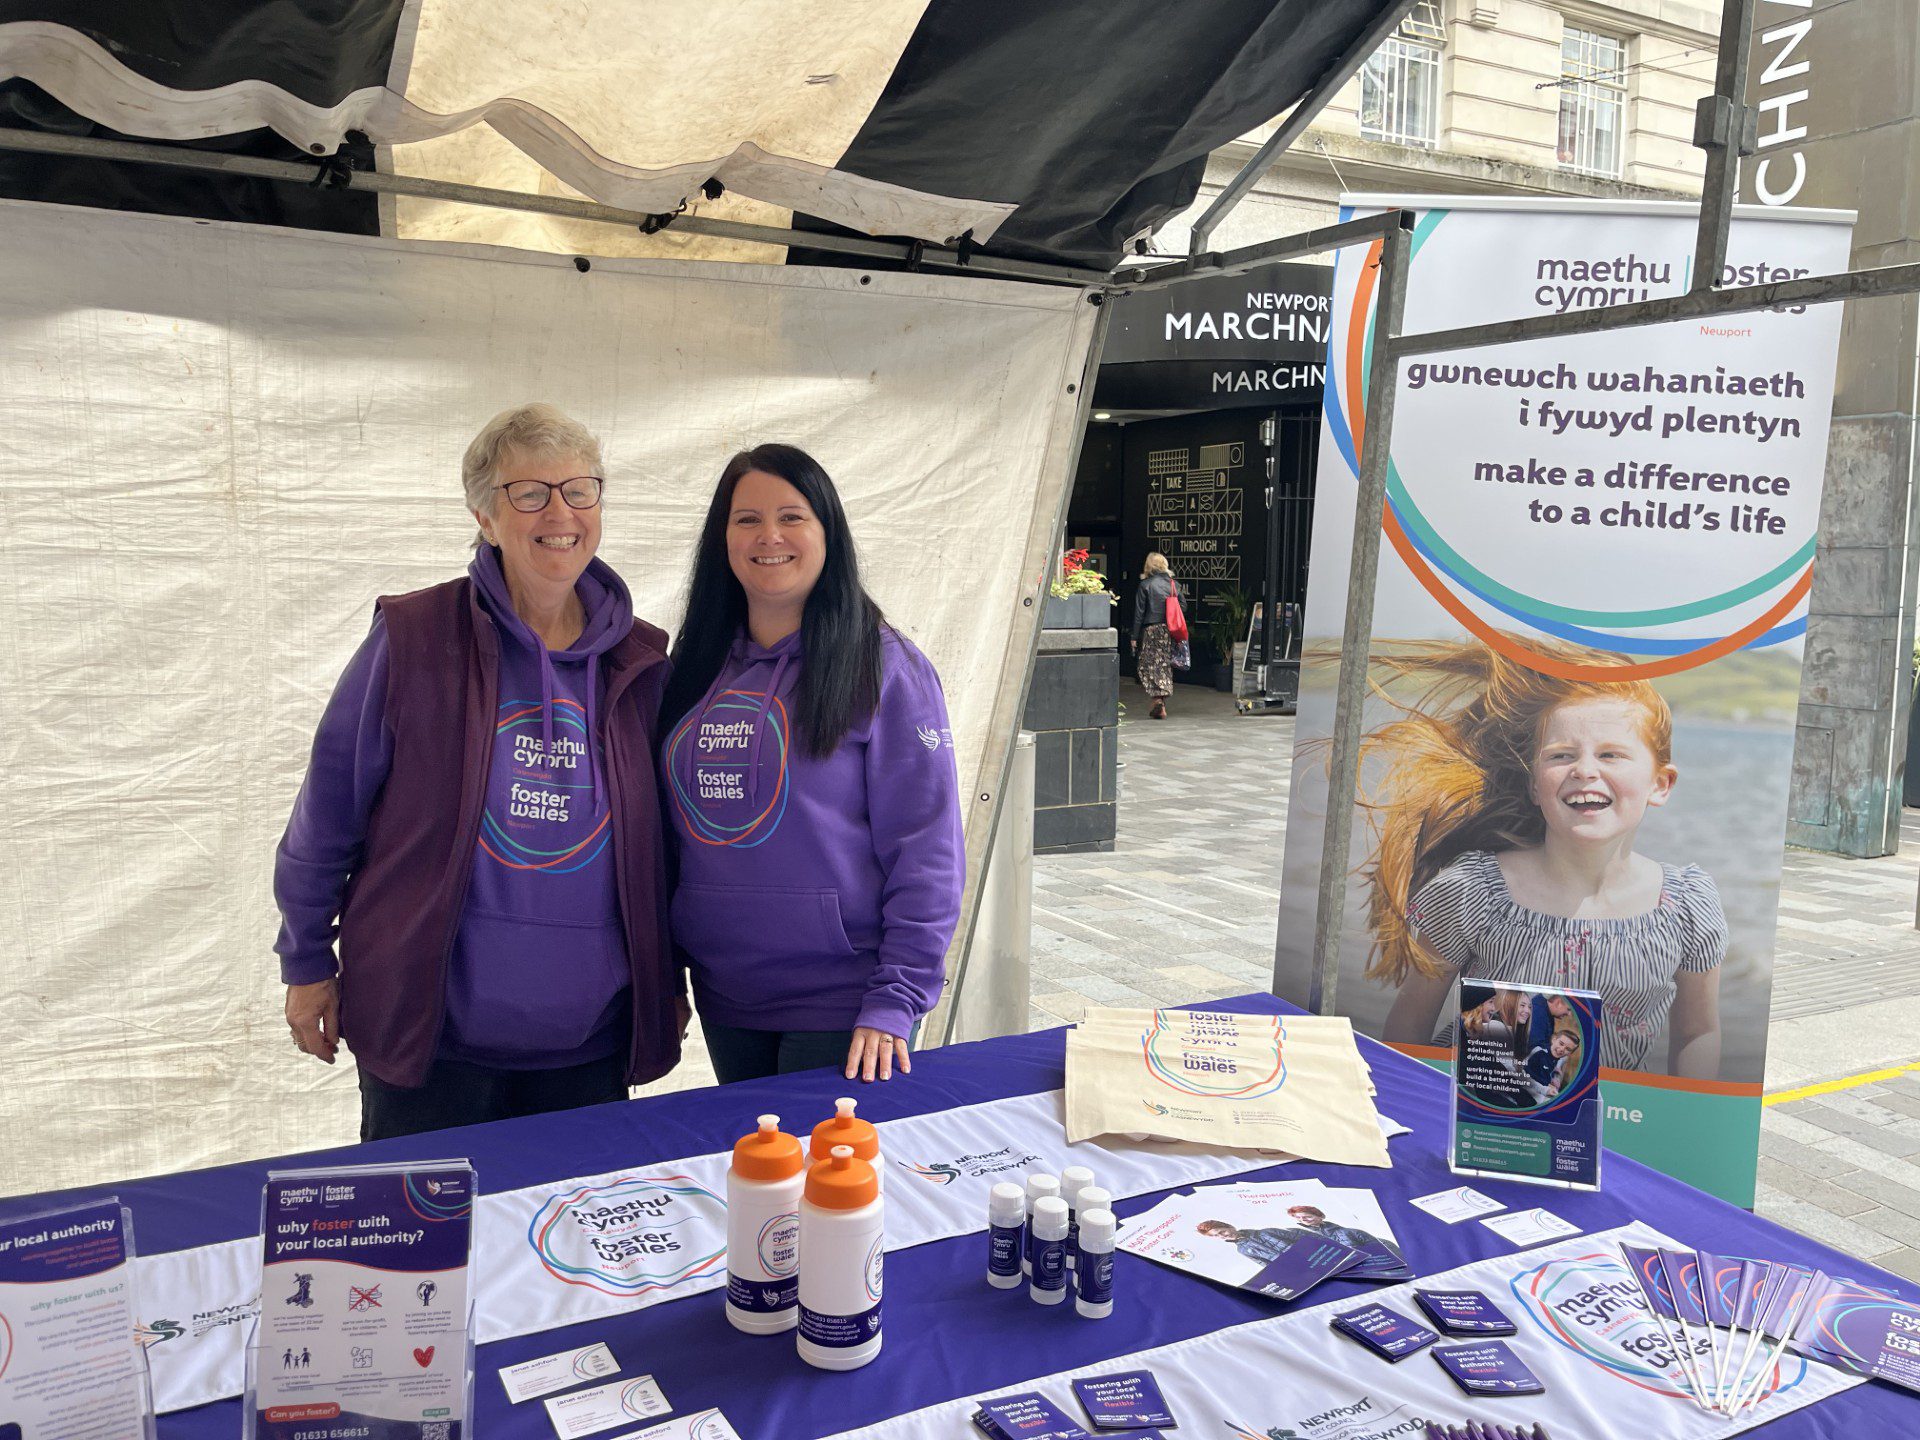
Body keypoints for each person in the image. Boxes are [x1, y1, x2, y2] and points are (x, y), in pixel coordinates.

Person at [274, 404, 684, 1139]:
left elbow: (671, 856)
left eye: (578, 489)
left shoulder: (643, 664)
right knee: (426, 1256)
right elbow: (327, 813)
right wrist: (305, 962)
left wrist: (668, 988)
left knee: (564, 1249)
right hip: (434, 1045)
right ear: (485, 517)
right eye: (528, 492)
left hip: (587, 1048)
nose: (558, 512)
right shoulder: (414, 639)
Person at [659, 443, 963, 1085]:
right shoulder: (691, 669)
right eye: (746, 520)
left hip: (845, 1007)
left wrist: (895, 1001)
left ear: (829, 533)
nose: (769, 536)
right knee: (757, 1175)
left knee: (825, 1184)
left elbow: (928, 848)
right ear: (723, 540)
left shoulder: (886, 670)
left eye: (792, 516)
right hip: (727, 994)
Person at [1366, 637, 1727, 1077]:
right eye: (1561, 756)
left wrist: (1687, 1125)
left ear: (1660, 784)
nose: (1585, 770)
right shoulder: (1471, 892)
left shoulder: (1687, 905)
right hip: (1482, 1119)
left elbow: (1698, 1033)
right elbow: (1410, 1022)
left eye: (1611, 754)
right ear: (1535, 786)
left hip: (1610, 1120)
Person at [1130, 552, 1181, 720]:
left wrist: (1134, 637)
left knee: (1146, 666)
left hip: (1151, 630)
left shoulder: (1145, 585)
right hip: (1169, 630)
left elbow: (1139, 614)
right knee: (1164, 664)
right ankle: (1160, 702)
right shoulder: (1174, 585)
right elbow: (1184, 607)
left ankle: (1158, 700)